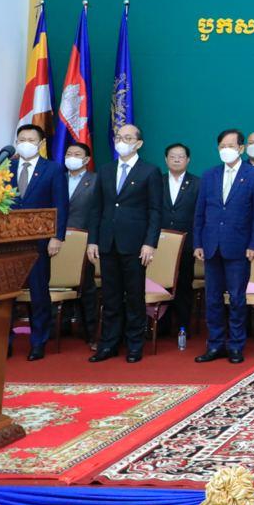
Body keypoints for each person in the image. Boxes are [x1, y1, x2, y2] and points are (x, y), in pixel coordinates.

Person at [86, 123, 162, 363]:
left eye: (128, 138)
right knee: (110, 296)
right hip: (108, 242)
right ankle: (108, 344)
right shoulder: (106, 170)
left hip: (135, 244)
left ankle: (134, 345)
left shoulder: (149, 171)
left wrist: (150, 243)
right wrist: (92, 241)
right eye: (119, 137)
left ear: (139, 143)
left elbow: (155, 211)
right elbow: (96, 208)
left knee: (134, 296)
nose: (122, 141)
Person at [193, 129, 254, 364]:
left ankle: (236, 345)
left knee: (236, 298)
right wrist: (198, 242)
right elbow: (200, 212)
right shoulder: (209, 175)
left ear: (241, 149)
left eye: (231, 146)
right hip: (211, 245)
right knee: (212, 298)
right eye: (222, 146)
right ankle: (215, 344)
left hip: (239, 246)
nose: (226, 150)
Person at [7, 124, 68, 361]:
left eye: (31, 140)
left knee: (39, 293)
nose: (26, 143)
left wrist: (57, 236)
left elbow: (60, 205)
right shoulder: (5, 168)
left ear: (41, 143)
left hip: (39, 242)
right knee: (7, 294)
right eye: (22, 139)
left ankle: (38, 341)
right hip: (9, 242)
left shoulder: (52, 169)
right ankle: (6, 342)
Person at [161, 143, 200, 334]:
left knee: (184, 285)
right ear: (166, 159)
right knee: (160, 284)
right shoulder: (157, 181)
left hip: (187, 243)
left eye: (181, 156)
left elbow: (201, 215)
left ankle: (183, 326)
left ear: (188, 160)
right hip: (160, 244)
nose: (176, 159)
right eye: (172, 156)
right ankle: (161, 326)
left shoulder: (197, 183)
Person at [63, 141, 99, 344]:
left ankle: (90, 331)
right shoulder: (58, 178)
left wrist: (93, 240)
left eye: (77, 154)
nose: (72, 157)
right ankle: (61, 326)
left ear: (86, 160)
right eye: (69, 153)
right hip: (57, 240)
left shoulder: (96, 181)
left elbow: (97, 213)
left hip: (85, 240)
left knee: (87, 287)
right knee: (59, 283)